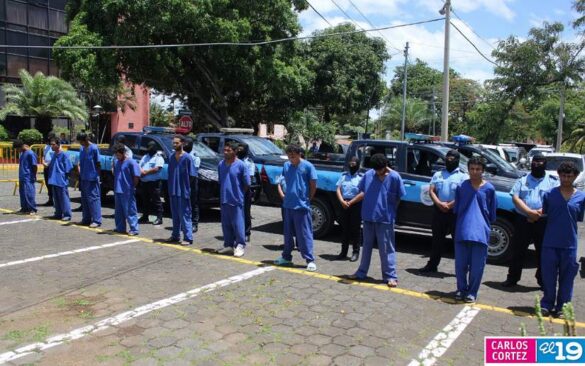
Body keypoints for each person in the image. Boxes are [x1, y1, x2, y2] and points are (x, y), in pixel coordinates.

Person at [347, 153, 406, 287]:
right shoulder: (368, 175)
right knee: (366, 247)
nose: (379, 172)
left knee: (386, 249)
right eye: (376, 170)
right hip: (368, 217)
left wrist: (389, 210)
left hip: (385, 219)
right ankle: (361, 272)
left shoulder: (395, 177)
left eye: (381, 170)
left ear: (386, 166)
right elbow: (362, 191)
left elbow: (399, 197)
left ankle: (390, 276)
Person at [502, 154, 558, 288]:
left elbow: (554, 200)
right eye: (535, 161)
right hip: (523, 220)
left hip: (543, 222)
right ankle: (512, 278)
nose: (537, 164)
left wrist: (538, 213)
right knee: (518, 250)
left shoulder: (553, 181)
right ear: (531, 163)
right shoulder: (522, 179)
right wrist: (529, 212)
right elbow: (516, 198)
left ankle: (543, 281)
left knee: (543, 252)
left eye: (540, 162)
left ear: (545, 164)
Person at [539, 161, 585, 316]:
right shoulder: (549, 194)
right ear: (559, 175)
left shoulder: (581, 197)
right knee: (548, 276)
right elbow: (544, 213)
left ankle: (563, 307)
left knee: (567, 278)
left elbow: (579, 217)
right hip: (550, 242)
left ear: (575, 177)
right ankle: (546, 303)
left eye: (569, 176)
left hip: (570, 244)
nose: (566, 179)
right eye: (563, 176)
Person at [453, 156, 497, 303]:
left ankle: (472, 292)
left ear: (483, 171)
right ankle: (461, 289)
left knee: (477, 266)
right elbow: (457, 209)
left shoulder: (489, 189)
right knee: (460, 264)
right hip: (463, 230)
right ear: (468, 169)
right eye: (472, 168)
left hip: (480, 232)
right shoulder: (461, 187)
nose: (474, 171)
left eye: (478, 169)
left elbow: (491, 213)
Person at [420, 150, 468, 273]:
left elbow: (463, 195)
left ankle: (462, 268)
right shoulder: (438, 174)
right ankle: (432, 265)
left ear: (457, 161)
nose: (448, 161)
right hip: (439, 211)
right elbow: (432, 191)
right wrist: (439, 203)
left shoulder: (463, 176)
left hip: (454, 212)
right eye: (447, 158)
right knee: (437, 240)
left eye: (451, 159)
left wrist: (450, 205)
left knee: (458, 241)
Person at [275, 144, 318, 271]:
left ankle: (309, 260)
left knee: (304, 234)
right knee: (287, 234)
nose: (291, 157)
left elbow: (313, 185)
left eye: (293, 154)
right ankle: (286, 257)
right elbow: (281, 181)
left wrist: (307, 199)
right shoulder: (286, 165)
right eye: (289, 155)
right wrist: (283, 195)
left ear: (299, 154)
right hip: (288, 205)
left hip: (301, 206)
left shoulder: (308, 166)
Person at [216, 142, 250, 257]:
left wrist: (239, 195)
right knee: (226, 224)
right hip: (224, 198)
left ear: (235, 151)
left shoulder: (241, 165)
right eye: (224, 150)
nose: (225, 152)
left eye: (228, 150)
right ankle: (228, 245)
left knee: (238, 224)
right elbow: (221, 180)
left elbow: (246, 184)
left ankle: (240, 245)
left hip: (236, 200)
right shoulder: (221, 164)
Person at [167, 135, 194, 245]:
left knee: (185, 215)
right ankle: (175, 235)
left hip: (183, 191)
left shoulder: (187, 158)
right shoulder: (171, 157)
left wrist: (187, 189)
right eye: (173, 143)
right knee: (175, 214)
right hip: (173, 190)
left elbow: (192, 176)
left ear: (182, 143)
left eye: (176, 143)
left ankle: (188, 237)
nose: (174, 145)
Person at [335, 156, 363, 262]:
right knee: (344, 228)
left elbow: (362, 193)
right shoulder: (343, 176)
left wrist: (351, 202)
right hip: (344, 204)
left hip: (355, 204)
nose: (352, 165)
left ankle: (355, 252)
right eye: (350, 163)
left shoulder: (361, 177)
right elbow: (338, 189)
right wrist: (342, 201)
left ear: (358, 164)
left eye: (354, 164)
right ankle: (343, 252)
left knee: (355, 229)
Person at [112, 143, 140, 236]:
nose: (117, 156)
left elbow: (136, 176)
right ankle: (120, 227)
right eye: (116, 154)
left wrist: (132, 187)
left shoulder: (131, 162)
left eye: (119, 154)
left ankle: (134, 229)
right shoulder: (116, 162)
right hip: (118, 190)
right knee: (118, 211)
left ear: (123, 152)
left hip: (127, 191)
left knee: (130, 210)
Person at [77, 133, 102, 228]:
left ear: (86, 140)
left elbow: (98, 163)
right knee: (85, 199)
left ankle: (96, 220)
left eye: (81, 141)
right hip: (83, 177)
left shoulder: (94, 148)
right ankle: (86, 219)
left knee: (93, 199)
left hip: (92, 178)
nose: (81, 143)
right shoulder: (81, 149)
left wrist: (97, 176)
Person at [138, 141, 164, 226]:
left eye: (151, 149)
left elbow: (157, 168)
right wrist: (141, 171)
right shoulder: (145, 156)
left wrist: (146, 172)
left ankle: (159, 218)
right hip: (145, 182)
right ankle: (145, 217)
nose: (149, 150)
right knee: (145, 200)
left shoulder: (158, 157)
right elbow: (140, 165)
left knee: (156, 201)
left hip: (154, 183)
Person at [47, 138, 73, 221]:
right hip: (54, 179)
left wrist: (65, 176)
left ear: (58, 145)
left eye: (53, 144)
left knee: (64, 198)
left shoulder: (64, 155)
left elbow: (68, 168)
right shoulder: (54, 154)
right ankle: (58, 213)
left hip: (61, 180)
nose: (52, 146)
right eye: (51, 144)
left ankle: (67, 214)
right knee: (56, 198)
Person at [237, 143, 255, 242]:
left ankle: (247, 233)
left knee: (246, 212)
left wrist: (243, 192)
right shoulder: (234, 161)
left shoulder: (249, 162)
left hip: (245, 190)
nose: (239, 151)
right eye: (238, 149)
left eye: (241, 149)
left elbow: (250, 179)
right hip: (235, 189)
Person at [14, 140, 38, 214]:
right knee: (23, 193)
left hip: (28, 176)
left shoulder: (30, 153)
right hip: (22, 176)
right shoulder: (22, 153)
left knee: (29, 193)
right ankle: (24, 208)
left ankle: (32, 209)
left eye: (17, 149)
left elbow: (34, 165)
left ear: (21, 146)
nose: (17, 151)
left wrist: (34, 175)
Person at [185, 138, 200, 232]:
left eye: (187, 144)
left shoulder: (195, 157)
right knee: (185, 204)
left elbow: (193, 172)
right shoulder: (181, 155)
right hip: (182, 182)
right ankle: (186, 222)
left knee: (193, 203)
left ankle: (194, 223)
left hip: (192, 182)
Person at [41, 134, 55, 206]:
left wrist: (48, 164)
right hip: (46, 166)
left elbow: (54, 157)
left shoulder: (55, 146)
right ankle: (50, 199)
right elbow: (43, 156)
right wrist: (43, 162)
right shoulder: (46, 147)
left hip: (52, 167)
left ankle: (55, 199)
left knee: (52, 183)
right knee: (47, 183)